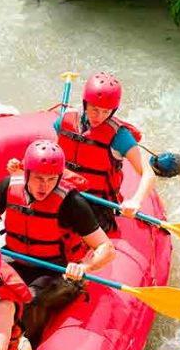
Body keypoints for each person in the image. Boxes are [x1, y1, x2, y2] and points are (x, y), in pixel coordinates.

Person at [0, 140, 116, 342]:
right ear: (26, 174)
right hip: (18, 260)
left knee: (31, 299)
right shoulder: (8, 186)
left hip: (57, 270)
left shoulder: (72, 202)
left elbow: (107, 248)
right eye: (38, 178)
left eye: (52, 179)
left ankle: (31, 345)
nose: (45, 186)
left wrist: (85, 267)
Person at [54, 72, 156, 233]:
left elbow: (148, 174)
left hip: (96, 204)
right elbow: (56, 153)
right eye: (94, 109)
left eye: (106, 112)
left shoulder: (120, 137)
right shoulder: (65, 122)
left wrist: (136, 201)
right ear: (85, 103)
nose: (99, 116)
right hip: (61, 191)